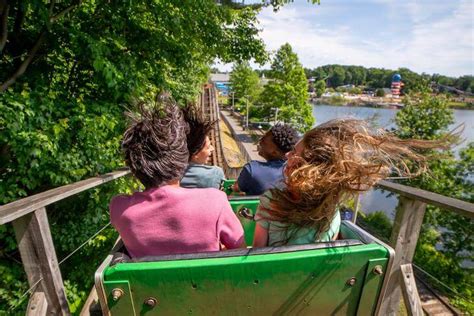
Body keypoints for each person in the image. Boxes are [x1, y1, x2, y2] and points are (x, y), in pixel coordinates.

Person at [253, 118, 453, 248]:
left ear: (305, 169)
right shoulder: (330, 210)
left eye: (294, 153)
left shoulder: (270, 200)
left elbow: (258, 255)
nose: (287, 154)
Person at [109, 94, 244, 258]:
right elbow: (240, 251)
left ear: (135, 167)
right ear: (183, 159)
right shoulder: (215, 200)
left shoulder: (120, 208)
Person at [233, 123, 299, 195]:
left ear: (274, 152)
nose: (260, 141)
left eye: (264, 141)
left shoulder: (252, 169)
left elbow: (236, 188)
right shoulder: (296, 172)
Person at [180, 105, 225, 189]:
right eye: (208, 147)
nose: (213, 148)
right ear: (195, 154)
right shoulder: (215, 174)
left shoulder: (171, 175)